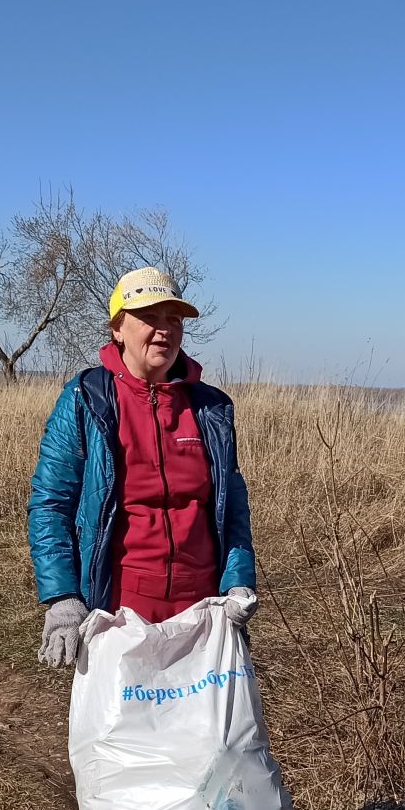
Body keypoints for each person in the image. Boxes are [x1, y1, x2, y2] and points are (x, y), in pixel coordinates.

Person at [27, 267, 256, 666]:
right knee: (121, 728)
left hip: (200, 613)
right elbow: (51, 504)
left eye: (173, 319)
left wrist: (237, 584)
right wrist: (62, 599)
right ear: (117, 328)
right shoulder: (86, 399)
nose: (164, 329)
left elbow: (232, 508)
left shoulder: (212, 408)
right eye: (149, 317)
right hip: (118, 609)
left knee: (204, 729)